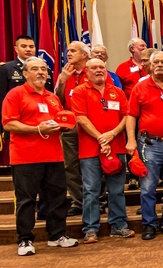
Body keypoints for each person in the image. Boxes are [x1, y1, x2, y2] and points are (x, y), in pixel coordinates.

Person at [3, 57, 78, 256]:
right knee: (26, 200)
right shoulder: (15, 94)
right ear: (25, 74)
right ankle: (25, 240)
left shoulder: (52, 97)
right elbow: (9, 124)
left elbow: (57, 120)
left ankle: (56, 236)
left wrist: (62, 127)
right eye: (35, 69)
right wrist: (37, 129)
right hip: (25, 157)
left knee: (57, 198)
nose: (41, 72)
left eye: (44, 69)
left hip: (53, 156)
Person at [125, 51, 163, 240]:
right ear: (150, 66)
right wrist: (131, 140)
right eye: (156, 62)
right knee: (148, 187)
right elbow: (131, 115)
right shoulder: (140, 87)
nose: (160, 65)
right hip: (150, 144)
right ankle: (149, 224)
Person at [71, 58, 134, 243]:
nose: (98, 70)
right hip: (90, 150)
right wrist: (101, 137)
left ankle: (118, 225)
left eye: (101, 67)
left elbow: (126, 116)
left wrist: (112, 134)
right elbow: (80, 118)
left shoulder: (118, 92)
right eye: (94, 68)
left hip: (117, 148)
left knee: (116, 190)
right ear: (87, 71)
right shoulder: (80, 92)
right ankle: (90, 228)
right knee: (91, 190)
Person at [0, 35, 54, 169]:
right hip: (18, 121)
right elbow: (2, 97)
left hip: (43, 123)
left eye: (31, 46)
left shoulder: (45, 70)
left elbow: (49, 96)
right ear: (16, 49)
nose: (28, 49)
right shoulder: (6, 68)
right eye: (24, 46)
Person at [55, 41, 93, 217]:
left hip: (91, 124)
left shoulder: (93, 70)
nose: (68, 54)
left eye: (73, 51)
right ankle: (78, 201)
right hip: (70, 124)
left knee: (93, 164)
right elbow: (58, 101)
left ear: (84, 54)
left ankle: (97, 201)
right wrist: (62, 82)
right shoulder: (65, 73)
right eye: (68, 51)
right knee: (71, 165)